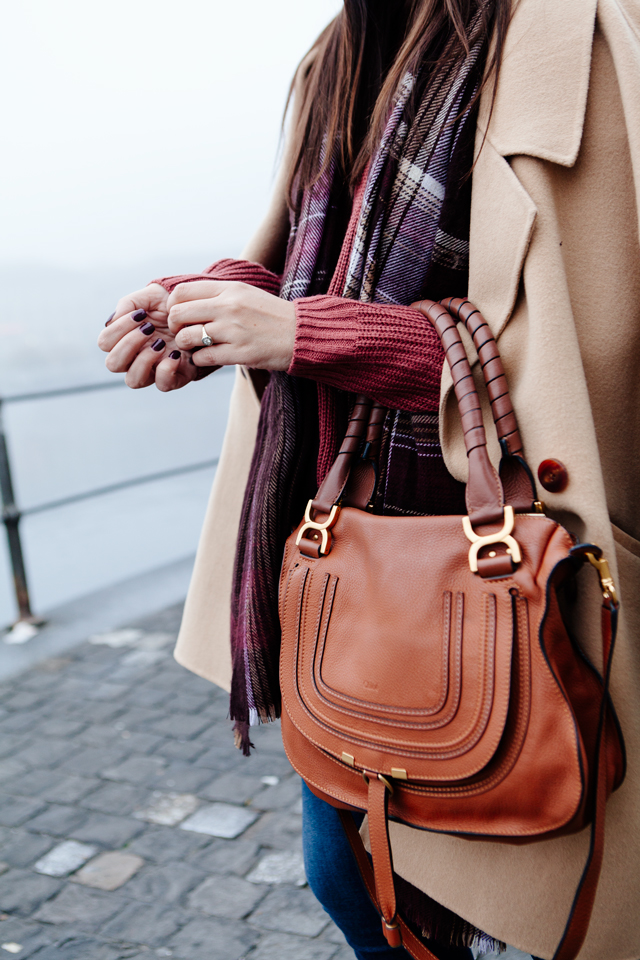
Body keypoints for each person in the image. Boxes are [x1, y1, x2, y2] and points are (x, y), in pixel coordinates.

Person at [98, 0, 640, 958]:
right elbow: (312, 260)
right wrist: (206, 308)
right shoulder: (338, 52)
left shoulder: (576, 32)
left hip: (512, 538)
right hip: (342, 546)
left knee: (534, 857)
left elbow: (575, 348)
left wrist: (306, 335)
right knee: (351, 869)